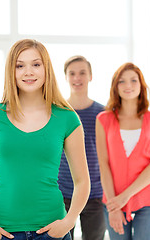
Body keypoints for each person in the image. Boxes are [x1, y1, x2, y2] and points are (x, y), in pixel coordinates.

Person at [0, 39, 91, 240]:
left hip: (52, 230)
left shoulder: (67, 118)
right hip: (2, 231)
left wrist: (69, 221)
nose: (28, 72)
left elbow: (82, 180)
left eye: (36, 64)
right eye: (20, 65)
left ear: (46, 70)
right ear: (11, 71)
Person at [95, 63, 150, 240]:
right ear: (115, 87)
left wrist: (124, 197)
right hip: (113, 200)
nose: (128, 86)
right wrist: (114, 205)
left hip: (148, 199)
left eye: (133, 80)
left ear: (141, 85)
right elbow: (103, 164)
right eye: (122, 81)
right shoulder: (104, 119)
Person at [58, 55, 105, 240]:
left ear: (90, 76)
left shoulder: (103, 113)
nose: (77, 78)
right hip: (62, 193)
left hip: (95, 195)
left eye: (82, 73)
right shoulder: (58, 111)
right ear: (66, 77)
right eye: (72, 73)